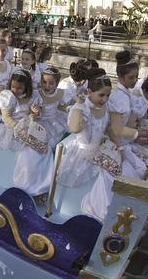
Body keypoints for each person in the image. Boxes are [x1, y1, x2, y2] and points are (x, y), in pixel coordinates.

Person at [58, 68, 120, 222]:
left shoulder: (105, 107)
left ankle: (108, 209)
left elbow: (107, 128)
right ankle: (96, 213)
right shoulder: (81, 109)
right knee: (105, 175)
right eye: (101, 95)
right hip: (82, 153)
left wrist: (118, 145)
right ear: (89, 92)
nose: (105, 99)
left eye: (108, 95)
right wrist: (78, 105)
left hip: (99, 148)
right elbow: (74, 129)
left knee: (117, 169)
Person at [0, 71, 52, 197]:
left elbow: (37, 115)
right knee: (29, 154)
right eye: (13, 87)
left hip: (29, 127)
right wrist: (19, 128)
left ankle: (40, 186)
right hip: (12, 129)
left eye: (19, 88)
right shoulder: (8, 96)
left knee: (46, 149)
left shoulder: (33, 97)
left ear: (26, 87)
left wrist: (36, 112)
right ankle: (24, 187)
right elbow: (6, 117)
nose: (15, 90)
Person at [107, 51, 148, 180]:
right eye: (131, 77)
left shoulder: (126, 94)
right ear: (120, 76)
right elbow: (116, 129)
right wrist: (146, 134)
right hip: (115, 141)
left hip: (124, 141)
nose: (135, 80)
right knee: (140, 172)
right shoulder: (118, 97)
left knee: (147, 166)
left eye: (136, 77)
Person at [37, 67, 68, 149]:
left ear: (56, 84)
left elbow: (63, 107)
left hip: (54, 121)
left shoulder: (60, 93)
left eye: (51, 83)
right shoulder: (37, 94)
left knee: (53, 141)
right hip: (40, 121)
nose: (47, 85)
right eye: (44, 82)